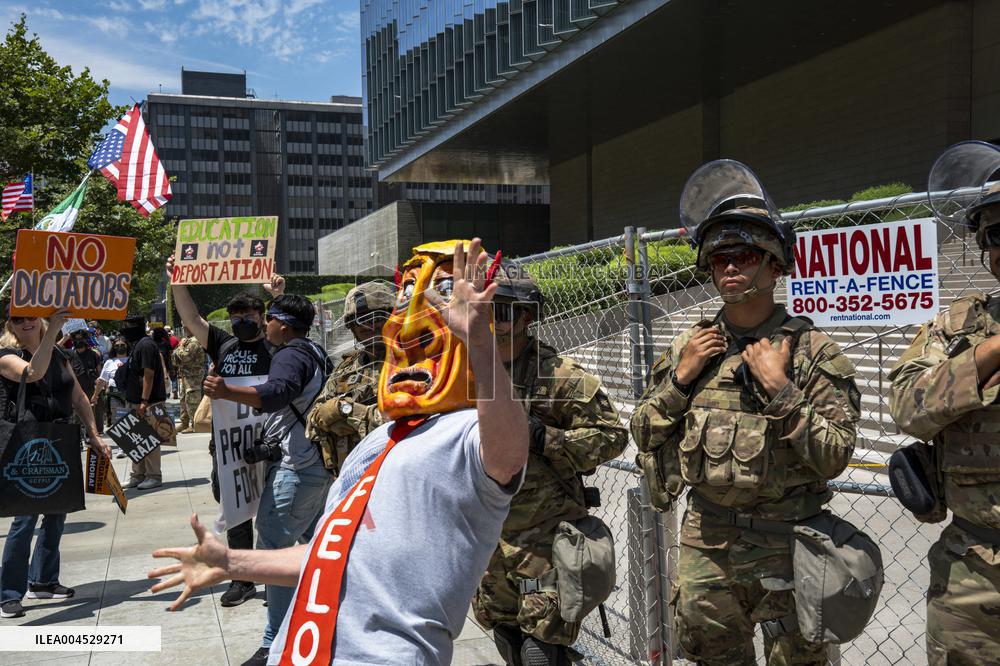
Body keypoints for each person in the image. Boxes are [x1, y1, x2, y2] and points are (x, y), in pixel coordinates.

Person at [148, 239, 528, 666]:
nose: (399, 342)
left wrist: (479, 343)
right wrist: (231, 561)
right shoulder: (377, 443)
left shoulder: (465, 435)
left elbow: (508, 455)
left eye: (426, 340)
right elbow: (332, 555)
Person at [630, 161, 861, 665]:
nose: (730, 267)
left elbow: (835, 455)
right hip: (707, 540)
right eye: (719, 259)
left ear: (775, 265)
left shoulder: (812, 353)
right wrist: (681, 379)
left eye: (746, 255)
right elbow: (643, 433)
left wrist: (780, 390)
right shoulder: (690, 348)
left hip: (790, 541)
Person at [474, 273, 627, 664]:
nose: (497, 321)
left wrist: (547, 439)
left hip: (542, 535)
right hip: (489, 534)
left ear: (527, 318)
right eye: (488, 312)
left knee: (541, 649)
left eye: (506, 312)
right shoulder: (465, 372)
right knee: (506, 635)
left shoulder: (558, 375)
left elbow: (612, 437)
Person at [888, 141, 1000, 665]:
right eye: (997, 234)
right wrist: (991, 352)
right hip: (973, 574)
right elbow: (908, 406)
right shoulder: (959, 325)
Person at [200, 292, 334, 664]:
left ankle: (276, 641)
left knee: (274, 549)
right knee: (314, 544)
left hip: (298, 467)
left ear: (283, 325)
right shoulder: (315, 351)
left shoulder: (290, 353)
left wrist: (227, 391)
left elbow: (276, 393)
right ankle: (326, 616)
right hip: (317, 463)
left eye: (269, 319)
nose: (264, 325)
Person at [166, 261, 285, 613]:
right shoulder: (224, 344)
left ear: (263, 317)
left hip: (270, 443)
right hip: (228, 447)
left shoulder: (276, 347)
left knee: (275, 511)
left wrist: (278, 295)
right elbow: (191, 319)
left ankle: (277, 572)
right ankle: (242, 580)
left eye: (250, 312)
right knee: (235, 511)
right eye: (236, 314)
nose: (242, 318)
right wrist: (177, 282)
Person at [0, 310, 111, 619]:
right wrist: (53, 331)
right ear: (11, 324)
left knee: (57, 512)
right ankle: (9, 593)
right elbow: (33, 372)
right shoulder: (7, 355)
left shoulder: (60, 354)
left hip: (59, 438)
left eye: (32, 316)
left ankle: (44, 580)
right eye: (19, 319)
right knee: (24, 519)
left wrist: (94, 434)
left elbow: (78, 397)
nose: (26, 322)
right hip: (26, 444)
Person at [306, 281, 394, 475]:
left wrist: (347, 412)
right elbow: (313, 421)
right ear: (352, 326)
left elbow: (409, 423)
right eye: (362, 320)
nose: (370, 326)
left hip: (391, 476)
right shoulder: (347, 366)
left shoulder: (412, 362)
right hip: (350, 478)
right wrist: (335, 412)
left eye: (378, 318)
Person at [119, 316, 169, 490]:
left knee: (149, 440)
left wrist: (144, 401)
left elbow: (149, 374)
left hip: (148, 402)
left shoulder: (146, 345)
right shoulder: (138, 344)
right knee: (135, 440)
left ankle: (154, 476)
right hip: (135, 400)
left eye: (129, 326)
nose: (125, 329)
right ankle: (138, 475)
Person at [172, 334, 206, 434]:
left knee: (192, 401)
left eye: (186, 326)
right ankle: (184, 423)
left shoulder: (194, 342)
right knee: (183, 400)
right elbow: (174, 359)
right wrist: (180, 348)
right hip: (185, 376)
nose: (184, 328)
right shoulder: (186, 341)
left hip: (193, 377)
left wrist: (180, 347)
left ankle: (195, 424)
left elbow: (184, 357)